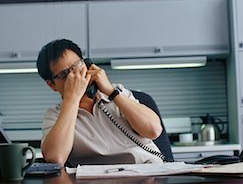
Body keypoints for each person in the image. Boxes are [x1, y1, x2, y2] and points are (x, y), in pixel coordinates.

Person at [36, 39, 164, 166]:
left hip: (150, 171)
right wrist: (72, 99)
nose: (75, 76)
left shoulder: (116, 91)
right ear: (52, 85)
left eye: (77, 66)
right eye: (64, 74)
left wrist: (111, 92)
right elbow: (55, 159)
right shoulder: (54, 116)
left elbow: (154, 130)